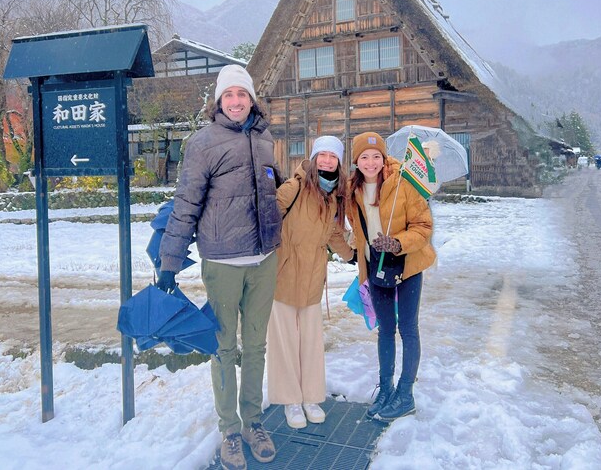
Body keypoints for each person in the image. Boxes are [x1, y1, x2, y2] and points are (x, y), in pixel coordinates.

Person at [159, 64, 282, 470]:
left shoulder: (265, 139)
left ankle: (253, 422)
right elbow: (186, 203)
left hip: (263, 260)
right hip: (223, 261)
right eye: (228, 96)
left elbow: (273, 191)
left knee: (257, 347)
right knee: (225, 348)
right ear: (218, 101)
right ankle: (229, 429)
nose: (235, 102)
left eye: (241, 95)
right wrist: (170, 260)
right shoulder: (203, 142)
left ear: (251, 100)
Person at [346, 131, 435, 422]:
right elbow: (356, 228)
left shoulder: (404, 184)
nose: (370, 162)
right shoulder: (353, 190)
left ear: (384, 159)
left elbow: (423, 226)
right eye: (364, 157)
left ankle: (405, 394)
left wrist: (397, 243)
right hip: (376, 268)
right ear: (356, 161)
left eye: (376, 156)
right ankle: (386, 389)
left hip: (407, 266)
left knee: (408, 328)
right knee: (385, 329)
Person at [266, 135, 354, 429]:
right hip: (283, 275)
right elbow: (265, 218)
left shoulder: (333, 196)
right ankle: (290, 400)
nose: (327, 160)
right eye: (323, 154)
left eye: (333, 156)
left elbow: (332, 233)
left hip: (314, 277)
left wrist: (351, 255)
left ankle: (311, 397)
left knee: (312, 342)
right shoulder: (293, 188)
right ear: (314, 158)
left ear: (339, 162)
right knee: (284, 342)